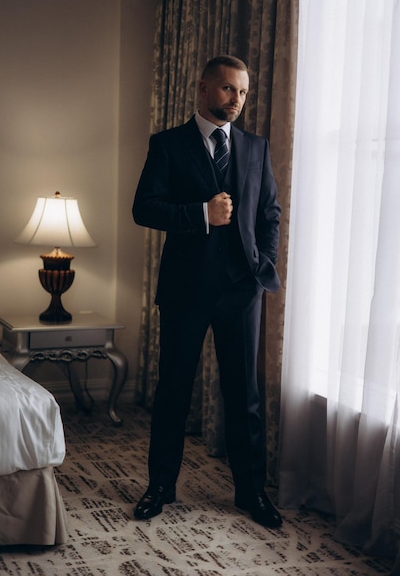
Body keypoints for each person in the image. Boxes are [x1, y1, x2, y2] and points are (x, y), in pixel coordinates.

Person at [132, 55, 282, 528]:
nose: (236, 100)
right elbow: (144, 208)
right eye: (227, 90)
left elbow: (270, 212)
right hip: (186, 289)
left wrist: (265, 264)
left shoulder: (256, 147)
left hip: (241, 290)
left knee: (245, 396)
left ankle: (251, 492)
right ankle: (160, 486)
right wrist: (200, 214)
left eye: (242, 92)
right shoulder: (168, 144)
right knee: (173, 389)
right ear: (202, 88)